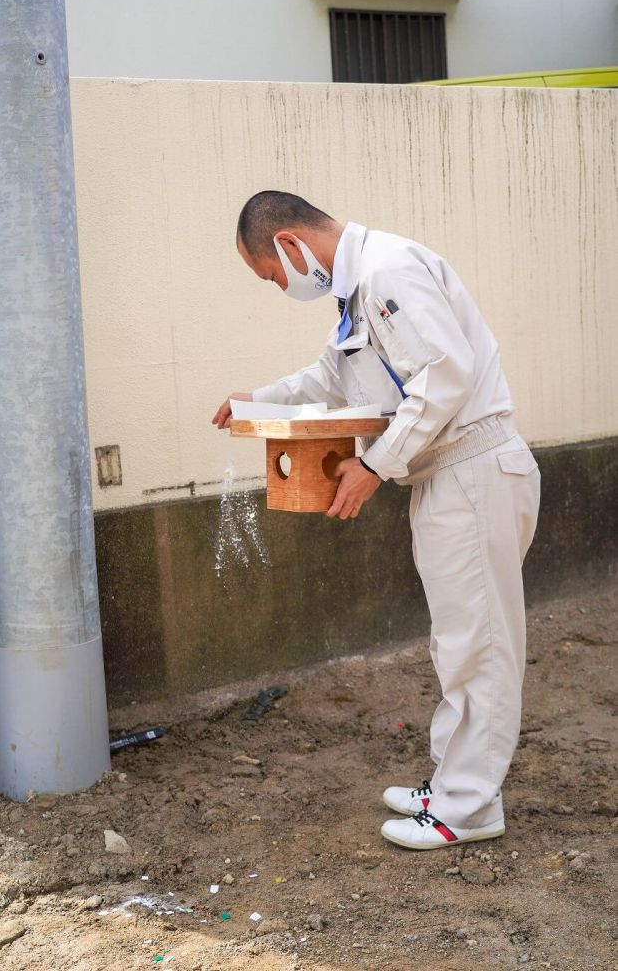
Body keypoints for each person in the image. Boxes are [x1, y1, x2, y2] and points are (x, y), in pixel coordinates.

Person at [212, 191, 541, 850]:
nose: (279, 285)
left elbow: (444, 376)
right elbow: (335, 373)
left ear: (290, 243)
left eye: (271, 273)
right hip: (448, 477)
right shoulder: (361, 289)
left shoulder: (388, 271)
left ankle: (469, 808)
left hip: (470, 471)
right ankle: (456, 782)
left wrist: (374, 466)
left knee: (477, 646)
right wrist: (259, 400)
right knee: (459, 640)